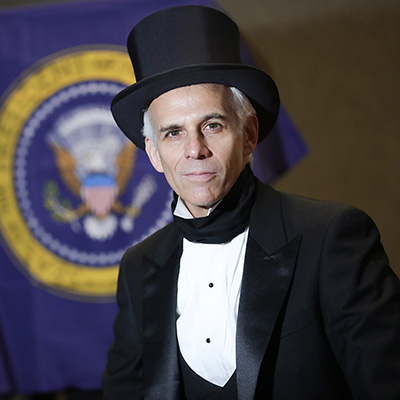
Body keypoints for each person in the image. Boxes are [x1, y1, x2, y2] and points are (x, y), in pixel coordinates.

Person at [102, 5, 400, 400]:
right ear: (154, 153)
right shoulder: (138, 266)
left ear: (249, 135)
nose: (195, 149)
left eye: (212, 125)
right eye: (173, 133)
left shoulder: (332, 237)